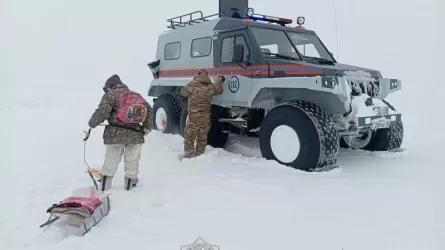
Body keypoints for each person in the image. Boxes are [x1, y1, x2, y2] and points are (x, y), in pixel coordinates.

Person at [88, 74, 153, 191]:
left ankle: (105, 187)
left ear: (109, 87)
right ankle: (130, 186)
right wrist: (146, 128)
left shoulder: (110, 95)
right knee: (132, 162)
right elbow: (149, 111)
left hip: (114, 135)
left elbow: (102, 112)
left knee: (111, 160)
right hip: (136, 135)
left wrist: (92, 123)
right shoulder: (136, 96)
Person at [180, 69, 225, 158]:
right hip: (206, 117)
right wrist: (220, 79)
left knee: (189, 137)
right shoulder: (210, 87)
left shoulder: (193, 84)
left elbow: (183, 92)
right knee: (202, 138)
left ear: (198, 75)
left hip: (194, 117)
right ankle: (200, 156)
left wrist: (192, 81)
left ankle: (189, 156)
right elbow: (219, 90)